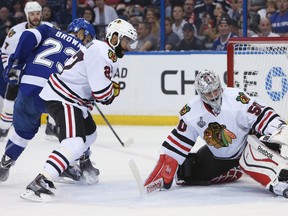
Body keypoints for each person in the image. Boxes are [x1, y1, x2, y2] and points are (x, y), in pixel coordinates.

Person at [20, 18, 138, 202]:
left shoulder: (101, 49)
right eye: (126, 41)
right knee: (74, 143)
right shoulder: (102, 53)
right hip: (65, 98)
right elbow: (101, 94)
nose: (129, 47)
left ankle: (66, 164)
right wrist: (112, 91)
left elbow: (94, 85)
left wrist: (109, 89)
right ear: (114, 37)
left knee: (90, 135)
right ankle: (40, 181)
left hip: (73, 99)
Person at [143, 69, 288, 198]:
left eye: (216, 90)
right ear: (200, 93)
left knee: (252, 157)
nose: (213, 95)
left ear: (220, 86)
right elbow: (177, 142)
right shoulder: (191, 111)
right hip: (219, 156)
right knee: (186, 172)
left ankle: (278, 182)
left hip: (247, 146)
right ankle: (235, 170)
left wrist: (280, 128)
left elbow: (262, 115)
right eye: (208, 93)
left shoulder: (236, 98)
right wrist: (164, 170)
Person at [0, 18, 96, 184]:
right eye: (88, 39)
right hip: (56, 93)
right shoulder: (85, 52)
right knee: (77, 124)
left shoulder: (49, 30)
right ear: (82, 34)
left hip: (28, 88)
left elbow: (28, 35)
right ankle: (82, 163)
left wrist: (16, 63)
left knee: (22, 133)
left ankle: (4, 165)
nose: (88, 43)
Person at [0, 1, 54, 140]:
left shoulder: (50, 28)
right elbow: (5, 53)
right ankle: (4, 127)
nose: (35, 17)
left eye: (37, 14)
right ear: (26, 15)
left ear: (41, 14)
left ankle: (52, 126)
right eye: (32, 14)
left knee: (55, 94)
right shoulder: (15, 32)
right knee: (11, 90)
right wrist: (9, 68)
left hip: (43, 70)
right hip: (21, 68)